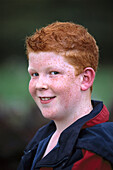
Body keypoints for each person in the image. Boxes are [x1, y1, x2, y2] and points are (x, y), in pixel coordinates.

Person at [18, 21, 113, 170]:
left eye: (54, 73)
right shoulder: (42, 138)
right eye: (34, 74)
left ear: (85, 79)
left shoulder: (95, 151)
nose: (40, 84)